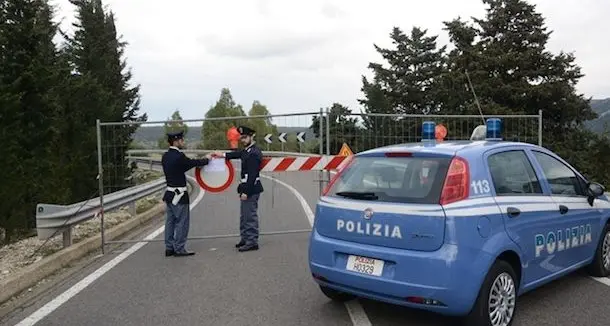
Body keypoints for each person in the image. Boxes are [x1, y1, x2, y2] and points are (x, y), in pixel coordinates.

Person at [213, 126, 263, 252]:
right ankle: (245, 238)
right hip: (245, 187)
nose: (243, 140)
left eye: (245, 137)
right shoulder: (246, 151)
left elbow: (252, 175)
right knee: (244, 216)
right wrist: (222, 155)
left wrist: (246, 192)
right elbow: (236, 154)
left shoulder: (254, 153)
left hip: (250, 188)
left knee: (250, 216)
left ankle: (252, 241)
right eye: (242, 138)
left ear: (252, 137)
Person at [162, 130, 211, 257]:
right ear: (176, 141)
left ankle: (169, 247)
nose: (183, 142)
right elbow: (192, 163)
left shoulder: (165, 156)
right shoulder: (179, 157)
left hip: (169, 194)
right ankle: (179, 248)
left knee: (170, 222)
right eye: (182, 140)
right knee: (182, 222)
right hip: (179, 195)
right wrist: (207, 159)